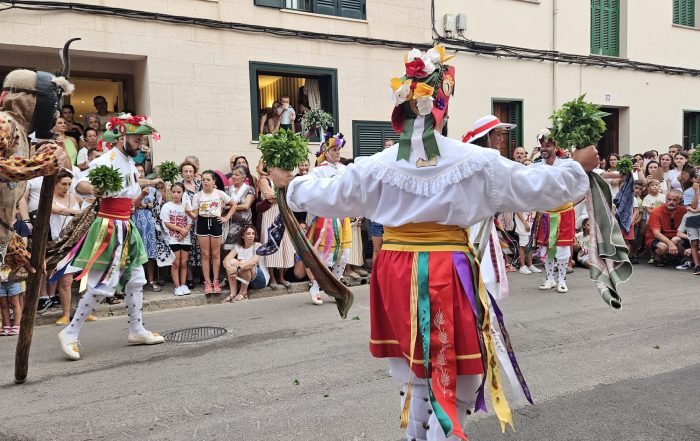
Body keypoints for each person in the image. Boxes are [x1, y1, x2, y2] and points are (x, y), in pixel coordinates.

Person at [270, 45, 599, 441]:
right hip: (446, 267)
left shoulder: (377, 165)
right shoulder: (476, 162)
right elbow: (538, 187)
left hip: (395, 268)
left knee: (416, 379)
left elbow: (323, 192)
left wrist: (292, 182)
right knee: (458, 377)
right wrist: (576, 166)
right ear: (442, 105)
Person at [54, 114, 165, 361]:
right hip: (109, 227)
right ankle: (70, 333)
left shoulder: (127, 162)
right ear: (122, 136)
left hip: (126, 225)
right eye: (136, 139)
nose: (140, 144)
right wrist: (94, 189)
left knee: (136, 279)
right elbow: (80, 184)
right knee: (101, 283)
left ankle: (136, 330)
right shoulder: (108, 160)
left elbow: (129, 187)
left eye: (141, 139)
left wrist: (153, 182)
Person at [1, 68, 69, 277]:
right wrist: (41, 164)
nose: (55, 111)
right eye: (51, 101)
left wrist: (14, 249)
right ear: (26, 98)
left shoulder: (21, 133)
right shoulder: (5, 122)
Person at [462, 115, 517, 299]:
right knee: (484, 272)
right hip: (477, 224)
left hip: (482, 222)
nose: (501, 139)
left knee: (486, 272)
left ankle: (485, 322)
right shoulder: (484, 160)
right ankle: (486, 323)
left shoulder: (475, 159)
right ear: (486, 136)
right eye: (498, 135)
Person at [305, 133, 353, 302]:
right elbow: (311, 191)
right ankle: (316, 287)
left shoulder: (345, 169)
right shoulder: (317, 171)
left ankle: (336, 286)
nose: (337, 152)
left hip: (343, 218)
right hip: (327, 219)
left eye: (338, 148)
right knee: (325, 257)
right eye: (334, 149)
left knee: (344, 254)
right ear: (326, 151)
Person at [530, 129, 578, 294]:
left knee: (562, 248)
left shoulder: (566, 164)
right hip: (545, 213)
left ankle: (562, 280)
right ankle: (550, 278)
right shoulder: (536, 166)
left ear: (555, 147)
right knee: (546, 247)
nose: (544, 148)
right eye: (542, 145)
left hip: (564, 212)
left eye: (548, 145)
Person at [188, 170, 235, 295]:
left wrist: (226, 217)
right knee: (205, 254)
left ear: (214, 181)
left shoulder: (219, 194)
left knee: (215, 254)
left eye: (208, 179)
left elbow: (234, 205)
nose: (205, 182)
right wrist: (189, 213)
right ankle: (207, 282)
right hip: (202, 223)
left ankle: (216, 281)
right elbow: (195, 216)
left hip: (216, 223)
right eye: (203, 179)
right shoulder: (197, 196)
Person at [49, 169, 85, 325]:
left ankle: (85, 311)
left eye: (69, 184)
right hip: (60, 244)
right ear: (55, 183)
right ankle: (66, 314)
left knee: (83, 277)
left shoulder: (74, 197)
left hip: (78, 242)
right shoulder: (48, 198)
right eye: (63, 184)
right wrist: (79, 213)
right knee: (66, 280)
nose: (66, 187)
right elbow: (59, 210)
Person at [258, 165, 296, 290]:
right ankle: (272, 278)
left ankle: (282, 277)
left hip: (282, 214)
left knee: (283, 245)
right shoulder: (264, 180)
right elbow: (269, 196)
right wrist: (282, 195)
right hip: (270, 216)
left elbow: (290, 195)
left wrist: (279, 196)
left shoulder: (282, 180)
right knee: (271, 244)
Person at [160, 182, 193, 296]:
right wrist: (181, 230)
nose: (176, 194)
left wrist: (184, 233)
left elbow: (189, 222)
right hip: (173, 239)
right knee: (176, 263)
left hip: (185, 239)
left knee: (184, 263)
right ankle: (177, 286)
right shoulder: (167, 206)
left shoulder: (186, 206)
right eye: (174, 192)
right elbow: (167, 223)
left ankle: (183, 285)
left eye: (179, 192)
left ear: (183, 193)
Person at [222, 224, 269, 302]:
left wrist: (236, 269)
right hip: (245, 279)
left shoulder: (258, 246)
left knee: (244, 263)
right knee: (232, 261)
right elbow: (225, 260)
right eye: (248, 233)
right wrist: (230, 270)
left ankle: (242, 293)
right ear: (243, 236)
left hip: (260, 279)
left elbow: (253, 262)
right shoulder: (238, 247)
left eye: (253, 233)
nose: (251, 236)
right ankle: (233, 293)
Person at [644, 189, 688, 267]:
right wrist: (670, 244)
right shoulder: (656, 211)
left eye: (675, 200)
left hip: (676, 237)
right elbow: (656, 233)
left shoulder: (684, 211)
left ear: (680, 201)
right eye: (669, 199)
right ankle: (658, 256)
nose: (671, 202)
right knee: (663, 247)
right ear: (665, 199)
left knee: (677, 241)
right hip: (656, 238)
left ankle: (675, 256)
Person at [179, 160, 202, 289]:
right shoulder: (179, 187)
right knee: (187, 250)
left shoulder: (200, 185)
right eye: (185, 171)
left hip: (200, 221)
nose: (188, 174)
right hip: (186, 222)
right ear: (181, 173)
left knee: (202, 250)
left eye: (190, 171)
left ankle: (204, 276)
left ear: (194, 173)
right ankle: (190, 277)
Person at [223, 165, 256, 252]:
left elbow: (246, 206)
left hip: (244, 226)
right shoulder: (227, 189)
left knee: (244, 251)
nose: (233, 177)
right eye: (232, 174)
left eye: (237, 175)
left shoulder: (249, 189)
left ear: (244, 177)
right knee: (228, 251)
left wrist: (231, 207)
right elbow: (223, 205)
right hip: (229, 226)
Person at [681, 173, 700, 274]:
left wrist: (696, 210)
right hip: (692, 219)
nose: (698, 180)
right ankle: (697, 265)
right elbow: (692, 206)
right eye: (697, 178)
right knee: (694, 242)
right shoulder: (688, 192)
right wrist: (696, 192)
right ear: (692, 179)